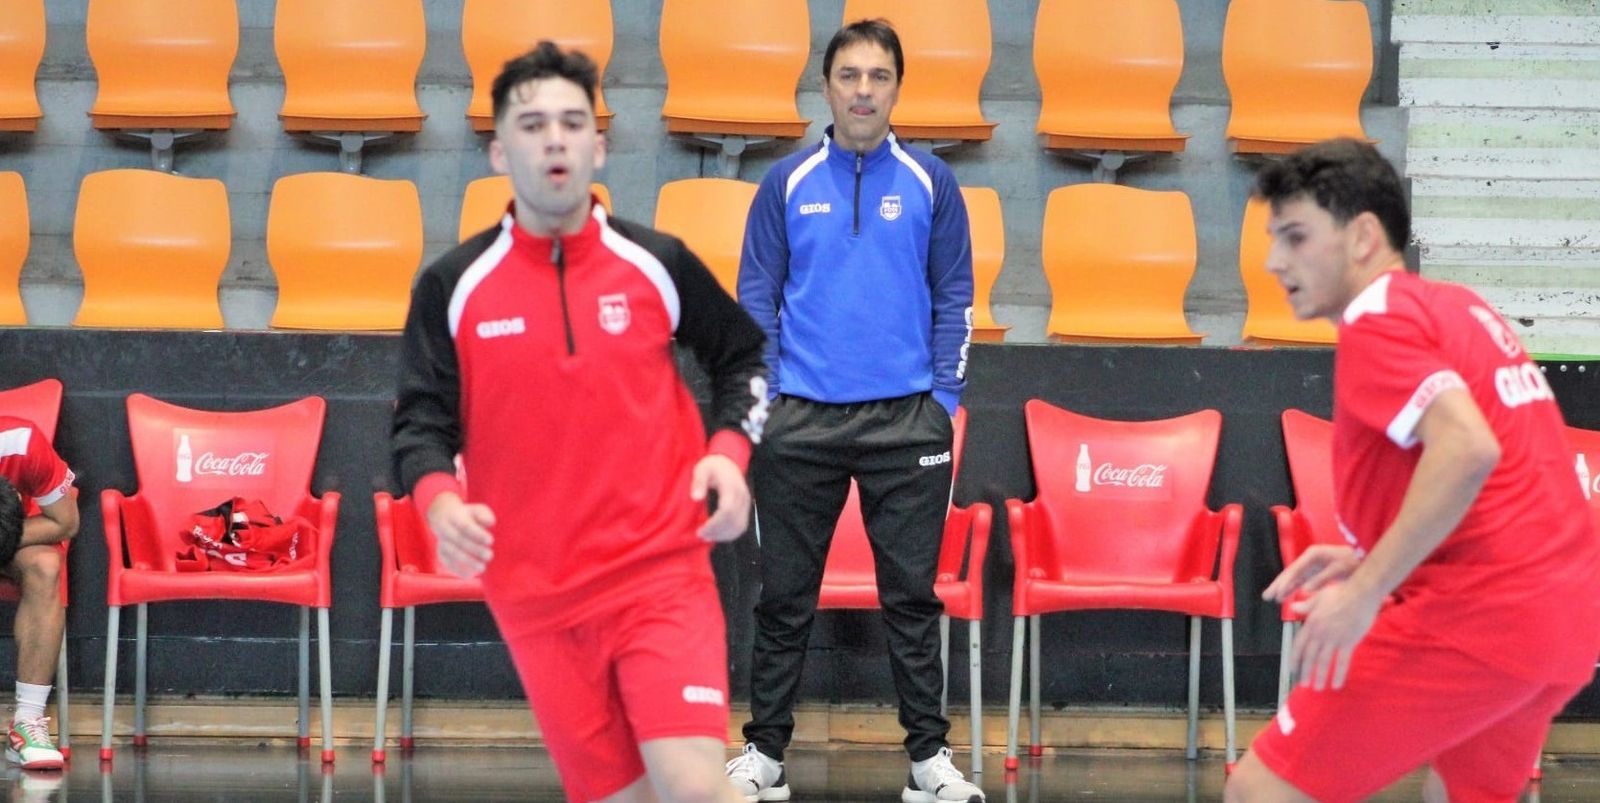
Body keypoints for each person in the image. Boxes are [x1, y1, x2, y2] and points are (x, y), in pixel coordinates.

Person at [390, 41, 769, 803]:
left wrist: (728, 453)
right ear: (499, 149)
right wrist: (440, 500)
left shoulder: (656, 262)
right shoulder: (453, 286)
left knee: (693, 788)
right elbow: (418, 422)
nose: (554, 138)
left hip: (661, 572)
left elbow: (746, 358)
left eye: (571, 122)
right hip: (536, 598)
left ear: (599, 145)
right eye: (532, 125)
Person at [1224, 139, 1600, 803]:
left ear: (1363, 235)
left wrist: (1369, 584)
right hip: (1566, 618)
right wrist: (1369, 550)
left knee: (1262, 788)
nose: (1272, 260)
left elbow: (1466, 448)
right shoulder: (1458, 306)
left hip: (1479, 617)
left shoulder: (1377, 319)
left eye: (1295, 236)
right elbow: (1508, 478)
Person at [725, 18, 982, 803]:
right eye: (849, 76)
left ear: (897, 87)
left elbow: (956, 298)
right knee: (783, 596)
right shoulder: (786, 184)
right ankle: (764, 754)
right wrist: (766, 401)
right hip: (800, 420)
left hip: (907, 422)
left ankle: (927, 765)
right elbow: (756, 299)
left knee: (911, 597)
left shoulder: (934, 182)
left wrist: (941, 401)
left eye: (878, 76)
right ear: (826, 86)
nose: (863, 90)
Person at [0, 415, 77, 771]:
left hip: (16, 537)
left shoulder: (20, 440)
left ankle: (27, 723)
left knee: (46, 566)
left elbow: (64, 522)